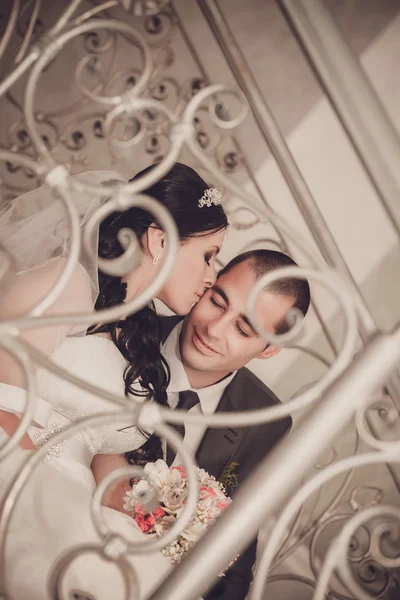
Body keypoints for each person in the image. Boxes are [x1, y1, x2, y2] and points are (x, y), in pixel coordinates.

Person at [93, 248, 311, 599]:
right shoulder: (124, 330)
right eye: (217, 302)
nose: (213, 329)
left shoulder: (265, 421)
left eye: (242, 328)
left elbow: (235, 558)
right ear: (208, 284)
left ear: (269, 348)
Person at [0, 162, 228, 458]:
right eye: (208, 257)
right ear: (161, 240)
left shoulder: (135, 331)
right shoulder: (67, 283)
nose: (211, 278)